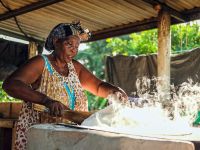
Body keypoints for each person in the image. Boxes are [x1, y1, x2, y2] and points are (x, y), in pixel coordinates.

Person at [2, 21, 127, 150]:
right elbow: (11, 85)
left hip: (71, 138)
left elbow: (98, 86)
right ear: (56, 41)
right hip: (44, 138)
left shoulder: (75, 67)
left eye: (77, 47)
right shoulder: (41, 63)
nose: (73, 50)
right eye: (69, 44)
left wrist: (115, 92)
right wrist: (47, 101)